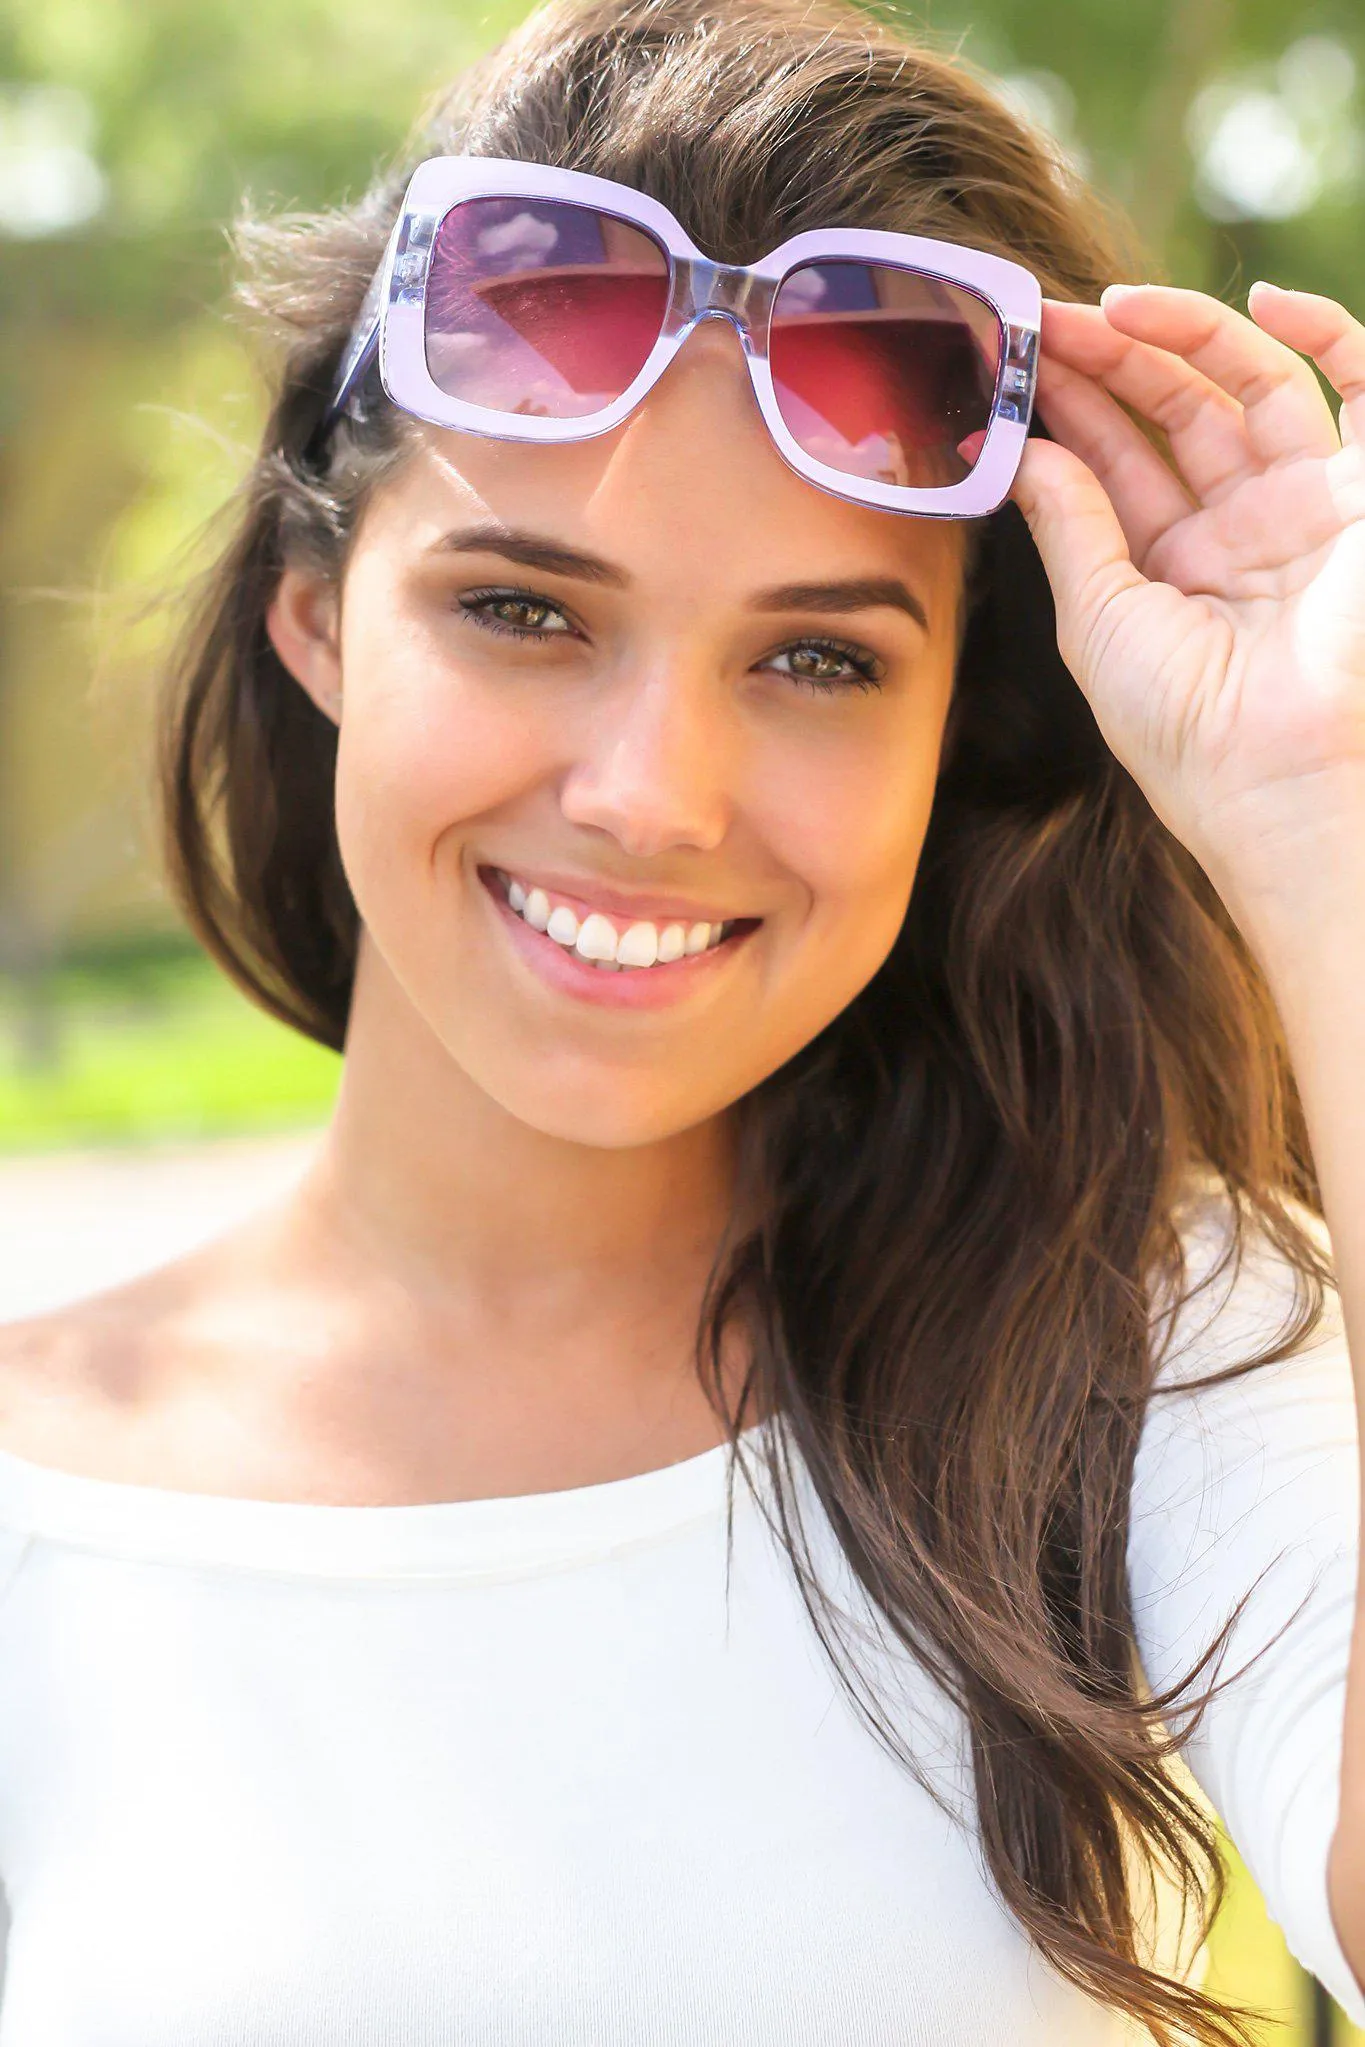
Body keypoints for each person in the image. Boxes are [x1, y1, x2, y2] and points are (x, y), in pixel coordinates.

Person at [0, 0, 1361, 2039]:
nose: (652, 795)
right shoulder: (42, 1501)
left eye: (817, 660)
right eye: (524, 611)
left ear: (950, 744)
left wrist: (1321, 822)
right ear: (315, 625)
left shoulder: (1126, 1351)